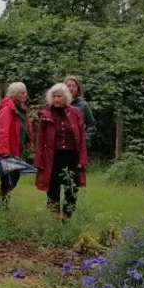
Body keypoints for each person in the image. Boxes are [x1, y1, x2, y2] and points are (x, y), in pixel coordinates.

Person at [35, 83, 88, 220]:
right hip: (53, 156)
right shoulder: (46, 114)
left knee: (72, 188)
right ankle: (53, 218)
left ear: (66, 98)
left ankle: (67, 217)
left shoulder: (75, 113)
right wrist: (39, 161)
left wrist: (82, 159)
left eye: (59, 96)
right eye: (54, 96)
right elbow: (40, 139)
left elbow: (82, 137)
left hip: (71, 156)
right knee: (52, 188)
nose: (56, 99)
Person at [0, 82, 33, 205]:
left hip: (16, 150)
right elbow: (2, 132)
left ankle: (1, 202)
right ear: (14, 94)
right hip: (4, 151)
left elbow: (24, 127)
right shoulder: (7, 109)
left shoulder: (21, 108)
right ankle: (0, 203)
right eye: (22, 92)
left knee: (13, 178)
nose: (25, 94)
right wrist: (5, 153)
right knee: (8, 180)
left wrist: (28, 141)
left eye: (25, 92)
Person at [64, 75, 98, 149]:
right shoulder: (60, 104)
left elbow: (91, 125)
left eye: (74, 86)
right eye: (68, 86)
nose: (71, 88)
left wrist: (85, 138)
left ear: (78, 89)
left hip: (78, 146)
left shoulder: (83, 105)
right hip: (61, 145)